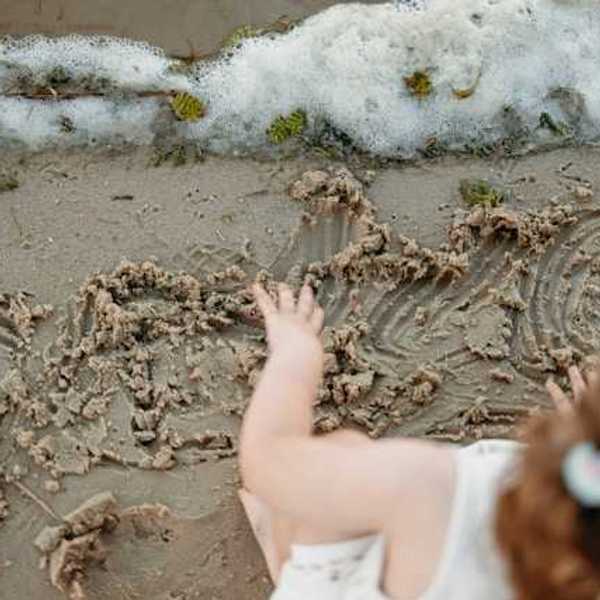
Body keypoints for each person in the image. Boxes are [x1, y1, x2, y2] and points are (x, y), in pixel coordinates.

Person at [239, 283, 600, 599]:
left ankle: (284, 553)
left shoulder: (427, 488)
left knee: (345, 451)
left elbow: (267, 455)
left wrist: (296, 352)